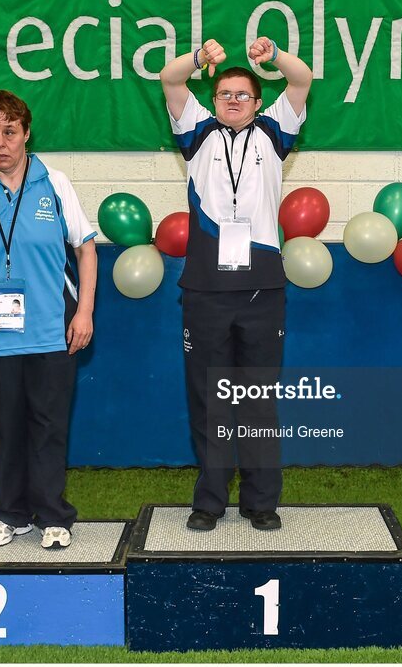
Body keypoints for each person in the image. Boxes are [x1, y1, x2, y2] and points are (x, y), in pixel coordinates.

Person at [160, 37, 312, 531]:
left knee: (258, 400)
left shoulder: (275, 134)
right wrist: (202, 57)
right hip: (204, 290)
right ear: (214, 99)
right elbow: (170, 78)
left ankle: (261, 502)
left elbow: (302, 78)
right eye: (224, 94)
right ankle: (209, 502)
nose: (232, 101)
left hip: (262, 290)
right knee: (210, 398)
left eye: (242, 95)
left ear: (258, 102)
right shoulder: (197, 134)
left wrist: (271, 59)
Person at [0, 90, 98, 550]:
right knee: (4, 427)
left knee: (49, 425)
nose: (1, 142)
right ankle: (7, 515)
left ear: (26, 133)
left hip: (53, 329)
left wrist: (86, 311)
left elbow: (86, 248)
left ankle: (54, 516)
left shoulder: (55, 183)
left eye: (10, 132)